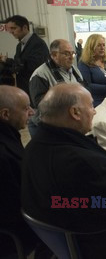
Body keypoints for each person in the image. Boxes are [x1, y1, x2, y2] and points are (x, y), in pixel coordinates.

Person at [22, 83, 106, 259]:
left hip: (64, 230)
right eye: (91, 105)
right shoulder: (80, 162)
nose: (95, 111)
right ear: (75, 113)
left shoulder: (34, 147)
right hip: (103, 239)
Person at [0, 86, 42, 257]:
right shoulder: (4, 152)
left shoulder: (9, 138)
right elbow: (12, 206)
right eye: (25, 108)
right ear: (5, 114)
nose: (31, 112)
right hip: (17, 232)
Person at [29, 39, 84, 136]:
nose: (71, 57)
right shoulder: (40, 74)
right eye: (66, 54)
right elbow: (39, 103)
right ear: (54, 55)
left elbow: (84, 89)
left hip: (68, 124)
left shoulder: (75, 70)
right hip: (47, 127)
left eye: (72, 53)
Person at [5, 15, 49, 99]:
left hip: (35, 88)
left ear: (24, 27)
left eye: (13, 28)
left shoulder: (37, 43)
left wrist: (7, 60)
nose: (11, 32)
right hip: (24, 87)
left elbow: (33, 65)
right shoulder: (19, 45)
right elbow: (18, 66)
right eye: (9, 29)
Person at [78, 34, 106, 106]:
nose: (102, 48)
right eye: (99, 45)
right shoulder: (84, 63)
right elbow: (86, 86)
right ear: (91, 47)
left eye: (103, 45)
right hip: (98, 103)